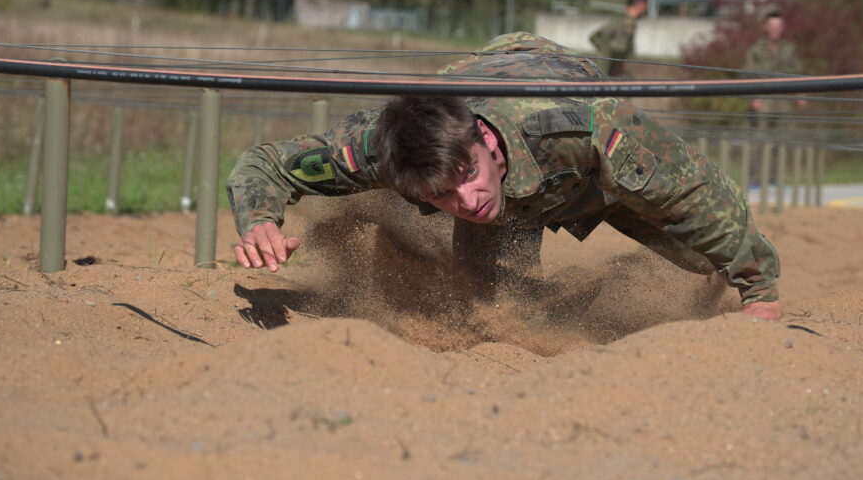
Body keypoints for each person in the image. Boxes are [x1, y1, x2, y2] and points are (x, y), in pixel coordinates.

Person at [227, 32, 782, 320]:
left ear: (485, 142)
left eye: (466, 175)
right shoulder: (384, 148)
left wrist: (759, 292)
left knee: (706, 256)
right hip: (505, 162)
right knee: (489, 300)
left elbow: (695, 192)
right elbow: (266, 162)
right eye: (440, 195)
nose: (465, 200)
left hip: (576, 160)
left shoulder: (587, 123)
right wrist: (258, 221)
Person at [588, 0, 649, 78]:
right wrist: (610, 58)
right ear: (641, 4)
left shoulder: (629, 23)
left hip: (614, 74)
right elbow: (595, 37)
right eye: (646, 5)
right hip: (608, 75)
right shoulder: (622, 22)